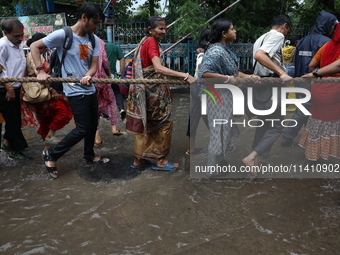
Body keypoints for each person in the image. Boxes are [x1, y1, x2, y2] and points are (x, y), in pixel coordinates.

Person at [30, 2, 108, 179]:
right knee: (82, 128)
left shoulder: (93, 39)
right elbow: (34, 47)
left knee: (93, 125)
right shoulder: (63, 35)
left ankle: (89, 155)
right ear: (84, 18)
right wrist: (40, 70)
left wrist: (89, 75)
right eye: (95, 22)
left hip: (89, 90)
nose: (96, 27)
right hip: (73, 90)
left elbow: (93, 65)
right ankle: (52, 154)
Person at [127, 16, 196, 171]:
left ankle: (138, 160)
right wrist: (185, 76)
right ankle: (160, 161)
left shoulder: (144, 41)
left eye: (164, 28)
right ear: (150, 30)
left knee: (146, 124)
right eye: (160, 28)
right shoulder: (151, 42)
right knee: (164, 124)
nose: (163, 31)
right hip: (153, 94)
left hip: (144, 93)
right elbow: (158, 68)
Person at [199, 18, 260, 176]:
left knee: (224, 131)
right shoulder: (216, 51)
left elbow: (234, 73)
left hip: (225, 98)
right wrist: (227, 79)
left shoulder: (224, 49)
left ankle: (218, 163)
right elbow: (204, 74)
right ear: (224, 33)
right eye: (232, 29)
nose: (235, 31)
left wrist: (248, 76)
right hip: (217, 100)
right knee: (219, 133)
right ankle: (212, 170)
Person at [242, 15, 292, 173]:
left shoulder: (261, 37)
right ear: (284, 26)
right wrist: (282, 73)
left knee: (263, 124)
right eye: (287, 30)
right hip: (271, 85)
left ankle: (256, 162)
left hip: (260, 85)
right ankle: (252, 157)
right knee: (277, 126)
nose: (286, 34)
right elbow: (260, 55)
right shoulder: (277, 35)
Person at [281, 11, 338, 147]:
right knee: (309, 112)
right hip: (317, 83)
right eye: (331, 27)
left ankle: (301, 139)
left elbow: (295, 62)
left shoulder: (302, 41)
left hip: (300, 80)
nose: (332, 30)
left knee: (303, 110)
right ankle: (289, 139)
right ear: (327, 26)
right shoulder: (327, 43)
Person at [21, 33, 73, 152]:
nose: (47, 48)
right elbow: (41, 76)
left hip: (38, 92)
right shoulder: (34, 58)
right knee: (63, 110)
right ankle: (50, 136)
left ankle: (47, 149)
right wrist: (52, 90)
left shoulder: (35, 56)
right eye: (46, 45)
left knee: (45, 119)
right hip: (40, 91)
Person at [299, 23, 340, 162]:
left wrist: (317, 77)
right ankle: (325, 155)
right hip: (335, 90)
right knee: (331, 123)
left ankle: (311, 155)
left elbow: (311, 65)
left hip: (319, 88)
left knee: (315, 121)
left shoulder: (326, 46)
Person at [0, 18, 32, 160]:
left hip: (15, 87)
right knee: (13, 120)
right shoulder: (2, 45)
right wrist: (8, 87)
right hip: (5, 89)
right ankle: (15, 150)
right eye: (16, 36)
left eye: (21, 35)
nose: (20, 38)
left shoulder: (17, 44)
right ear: (6, 33)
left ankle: (7, 142)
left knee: (14, 119)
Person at [92, 31, 122, 146]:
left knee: (95, 108)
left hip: (89, 80)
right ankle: (114, 127)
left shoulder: (82, 42)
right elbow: (105, 62)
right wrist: (109, 75)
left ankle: (96, 138)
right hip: (102, 79)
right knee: (111, 102)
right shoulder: (100, 43)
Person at [186, 26, 210, 156]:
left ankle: (191, 148)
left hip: (196, 88)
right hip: (202, 89)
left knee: (195, 117)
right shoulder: (204, 55)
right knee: (211, 117)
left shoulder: (202, 53)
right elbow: (202, 70)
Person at [99, 30, 127, 122]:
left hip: (100, 77)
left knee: (102, 95)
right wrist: (121, 72)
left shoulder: (96, 46)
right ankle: (121, 109)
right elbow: (122, 58)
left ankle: (106, 114)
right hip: (113, 76)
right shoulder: (114, 46)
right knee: (117, 92)